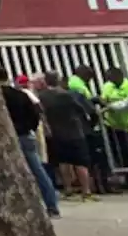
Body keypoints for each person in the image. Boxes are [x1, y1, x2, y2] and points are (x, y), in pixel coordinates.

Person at [0, 67, 59, 217]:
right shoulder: (21, 95)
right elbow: (35, 115)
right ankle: (52, 205)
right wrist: (28, 128)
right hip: (25, 135)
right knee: (37, 170)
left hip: (5, 137)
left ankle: (16, 207)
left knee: (7, 173)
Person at [38, 71, 96, 201]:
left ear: (46, 81)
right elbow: (84, 110)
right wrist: (89, 125)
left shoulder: (43, 97)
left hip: (56, 132)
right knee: (81, 162)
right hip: (74, 131)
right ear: (58, 80)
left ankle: (68, 188)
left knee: (63, 162)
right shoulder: (69, 95)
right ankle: (86, 190)